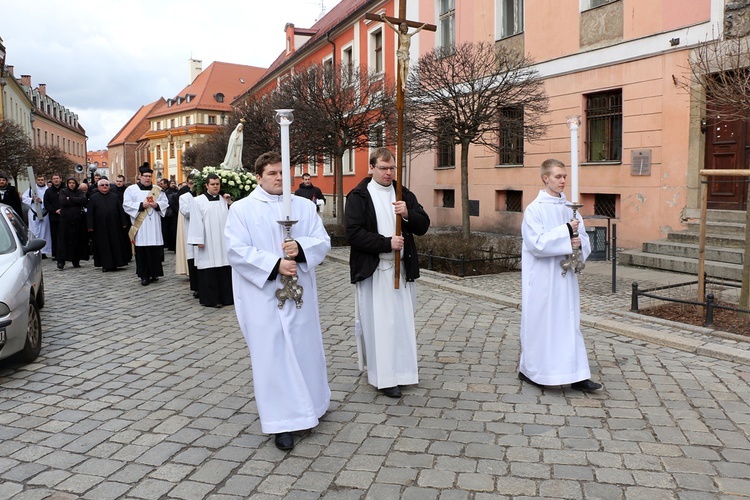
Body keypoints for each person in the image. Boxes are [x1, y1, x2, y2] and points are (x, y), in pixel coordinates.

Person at [225, 151, 331, 451]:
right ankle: (280, 422)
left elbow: (322, 240)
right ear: (258, 176)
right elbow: (235, 250)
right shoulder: (243, 209)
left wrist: (300, 247)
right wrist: (274, 265)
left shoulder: (303, 206)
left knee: (305, 348)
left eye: (284, 173)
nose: (280, 178)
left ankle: (314, 404)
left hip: (299, 295)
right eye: (273, 173)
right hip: (262, 296)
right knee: (271, 355)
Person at [344, 147, 430, 399]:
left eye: (393, 168)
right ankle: (384, 377)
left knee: (402, 323)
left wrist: (408, 214)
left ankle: (403, 372)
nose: (389, 173)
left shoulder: (403, 193)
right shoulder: (359, 195)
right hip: (375, 271)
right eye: (383, 168)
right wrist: (385, 243)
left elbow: (423, 225)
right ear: (371, 168)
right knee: (380, 324)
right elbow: (353, 233)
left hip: (401, 271)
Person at [518, 158, 601, 393]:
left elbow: (583, 239)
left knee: (568, 323)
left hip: (565, 278)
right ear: (545, 178)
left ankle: (577, 374)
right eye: (558, 176)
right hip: (543, 278)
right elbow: (536, 244)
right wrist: (565, 232)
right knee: (542, 324)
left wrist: (577, 244)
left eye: (565, 176)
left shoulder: (571, 209)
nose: (563, 180)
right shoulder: (535, 209)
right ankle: (532, 370)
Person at [187, 174, 234, 308]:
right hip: (207, 242)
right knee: (209, 269)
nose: (215, 186)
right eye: (212, 184)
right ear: (206, 185)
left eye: (217, 184)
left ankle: (227, 297)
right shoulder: (198, 201)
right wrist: (198, 240)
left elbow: (233, 217)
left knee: (224, 267)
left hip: (222, 241)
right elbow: (195, 221)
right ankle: (212, 299)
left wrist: (230, 203)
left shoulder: (224, 200)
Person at [123, 163, 169, 286]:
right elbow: (126, 205)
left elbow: (165, 203)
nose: (148, 178)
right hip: (141, 225)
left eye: (149, 176)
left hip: (154, 224)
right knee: (142, 251)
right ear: (140, 176)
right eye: (145, 176)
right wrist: (140, 206)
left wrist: (157, 205)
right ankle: (144, 275)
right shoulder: (131, 190)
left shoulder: (157, 190)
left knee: (154, 250)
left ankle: (155, 273)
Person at [87, 179, 130, 272]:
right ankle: (106, 265)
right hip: (100, 226)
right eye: (102, 185)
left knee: (116, 244)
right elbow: (90, 213)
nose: (104, 186)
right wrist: (90, 226)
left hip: (115, 225)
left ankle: (117, 263)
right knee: (104, 245)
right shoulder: (93, 198)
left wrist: (124, 222)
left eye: (106, 185)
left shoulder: (114, 197)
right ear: (98, 187)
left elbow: (120, 210)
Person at [381, 14, 426, 91]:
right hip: (401, 52)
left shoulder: (409, 35)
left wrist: (423, 26)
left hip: (406, 52)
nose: (404, 29)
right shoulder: (400, 34)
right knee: (402, 66)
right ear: (401, 28)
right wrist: (384, 19)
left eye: (405, 27)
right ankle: (403, 84)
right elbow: (391, 26)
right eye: (403, 27)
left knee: (407, 67)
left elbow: (417, 31)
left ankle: (404, 83)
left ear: (406, 28)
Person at [56, 177, 88, 270]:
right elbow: (63, 201)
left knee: (77, 241)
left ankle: (76, 260)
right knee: (63, 241)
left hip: (77, 220)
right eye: (70, 183)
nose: (71, 184)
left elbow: (83, 200)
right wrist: (74, 200)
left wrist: (70, 199)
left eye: (73, 183)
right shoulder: (63, 191)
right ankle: (61, 261)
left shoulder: (79, 192)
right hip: (65, 220)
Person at [177, 178, 199, 297]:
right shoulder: (184, 197)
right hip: (191, 231)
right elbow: (186, 212)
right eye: (191, 183)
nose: (193, 185)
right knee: (193, 259)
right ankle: (196, 287)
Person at [22, 174, 52, 258]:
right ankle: (34, 250)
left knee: (44, 232)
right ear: (36, 180)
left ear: (45, 181)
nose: (40, 181)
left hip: (44, 213)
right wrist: (32, 200)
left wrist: (41, 201)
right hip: (33, 213)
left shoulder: (47, 190)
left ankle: (44, 251)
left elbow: (50, 200)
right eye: (39, 180)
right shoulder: (32, 189)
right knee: (34, 231)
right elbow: (24, 198)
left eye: (42, 180)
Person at [44, 174, 64, 259]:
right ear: (52, 180)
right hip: (54, 216)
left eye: (57, 178)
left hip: (65, 216)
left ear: (61, 179)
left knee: (65, 235)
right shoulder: (48, 191)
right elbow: (46, 203)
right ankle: (56, 254)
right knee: (55, 235)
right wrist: (54, 210)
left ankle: (66, 253)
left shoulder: (65, 189)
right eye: (54, 179)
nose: (56, 180)